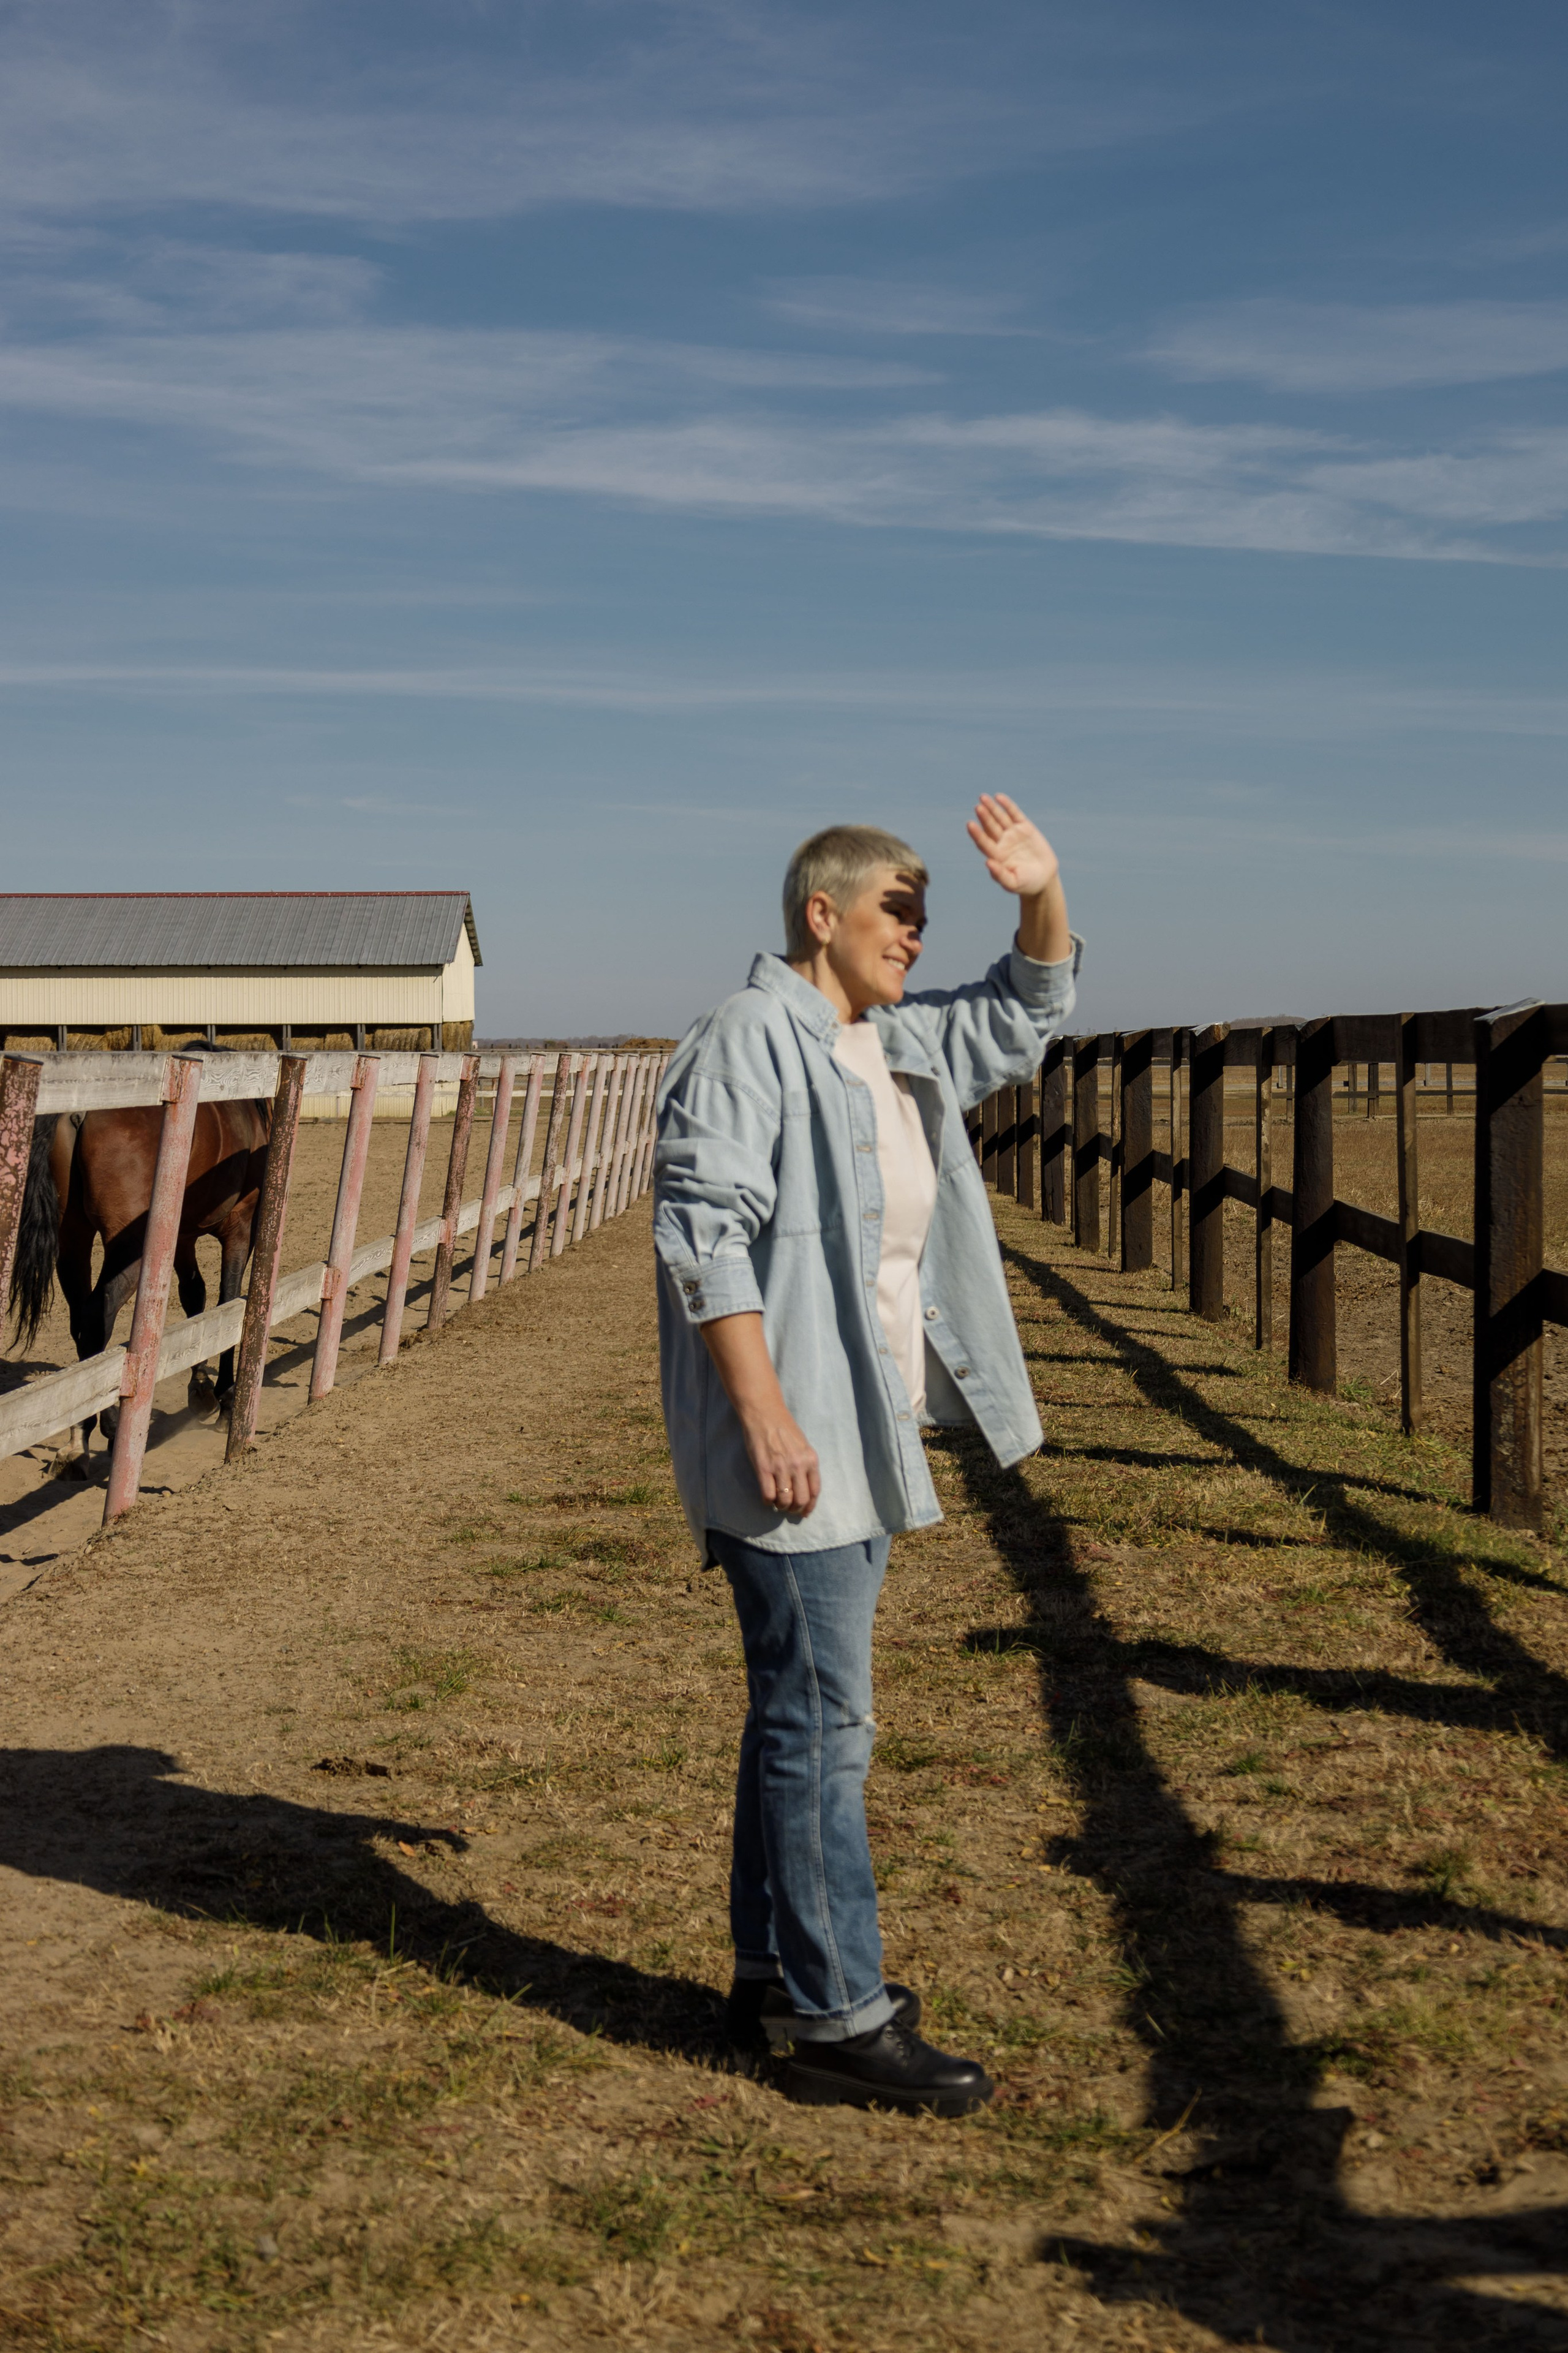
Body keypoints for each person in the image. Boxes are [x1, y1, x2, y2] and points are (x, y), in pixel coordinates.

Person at [652, 795, 1078, 2115]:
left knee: (797, 1708)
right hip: (801, 1438)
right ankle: (839, 2016)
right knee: (826, 1721)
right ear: (818, 915)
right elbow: (699, 1231)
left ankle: (772, 1972)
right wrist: (766, 1415)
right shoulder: (747, 1037)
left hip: (862, 1422)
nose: (916, 931)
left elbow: (1027, 1008)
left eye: (925, 915)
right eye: (897, 910)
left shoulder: (881, 1039)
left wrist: (1039, 892)